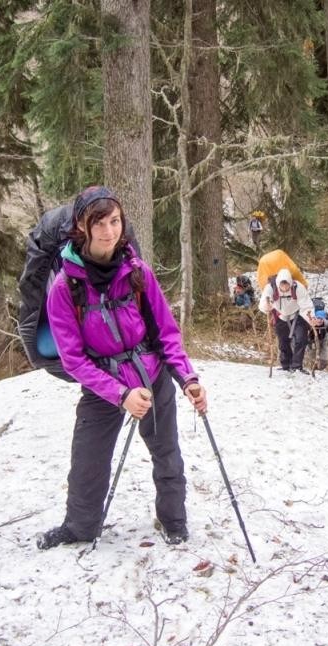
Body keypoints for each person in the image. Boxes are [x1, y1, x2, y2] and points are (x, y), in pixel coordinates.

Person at [37, 185, 207, 550]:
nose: (108, 231)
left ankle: (174, 521)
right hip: (104, 387)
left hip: (151, 376)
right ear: (82, 227)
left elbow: (166, 332)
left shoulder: (137, 271)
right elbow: (74, 360)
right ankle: (81, 527)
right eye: (98, 223)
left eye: (114, 221)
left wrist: (188, 378)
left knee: (167, 454)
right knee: (88, 461)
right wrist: (120, 394)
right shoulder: (66, 288)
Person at [258, 267, 316, 373]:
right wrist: (267, 306)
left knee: (301, 339)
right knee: (283, 342)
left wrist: (311, 318)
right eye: (282, 284)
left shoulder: (298, 287)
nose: (284, 287)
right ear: (278, 283)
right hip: (280, 315)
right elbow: (263, 302)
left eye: (286, 284)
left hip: (297, 315)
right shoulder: (271, 288)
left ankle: (297, 366)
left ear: (290, 282)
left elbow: (306, 305)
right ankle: (286, 365)